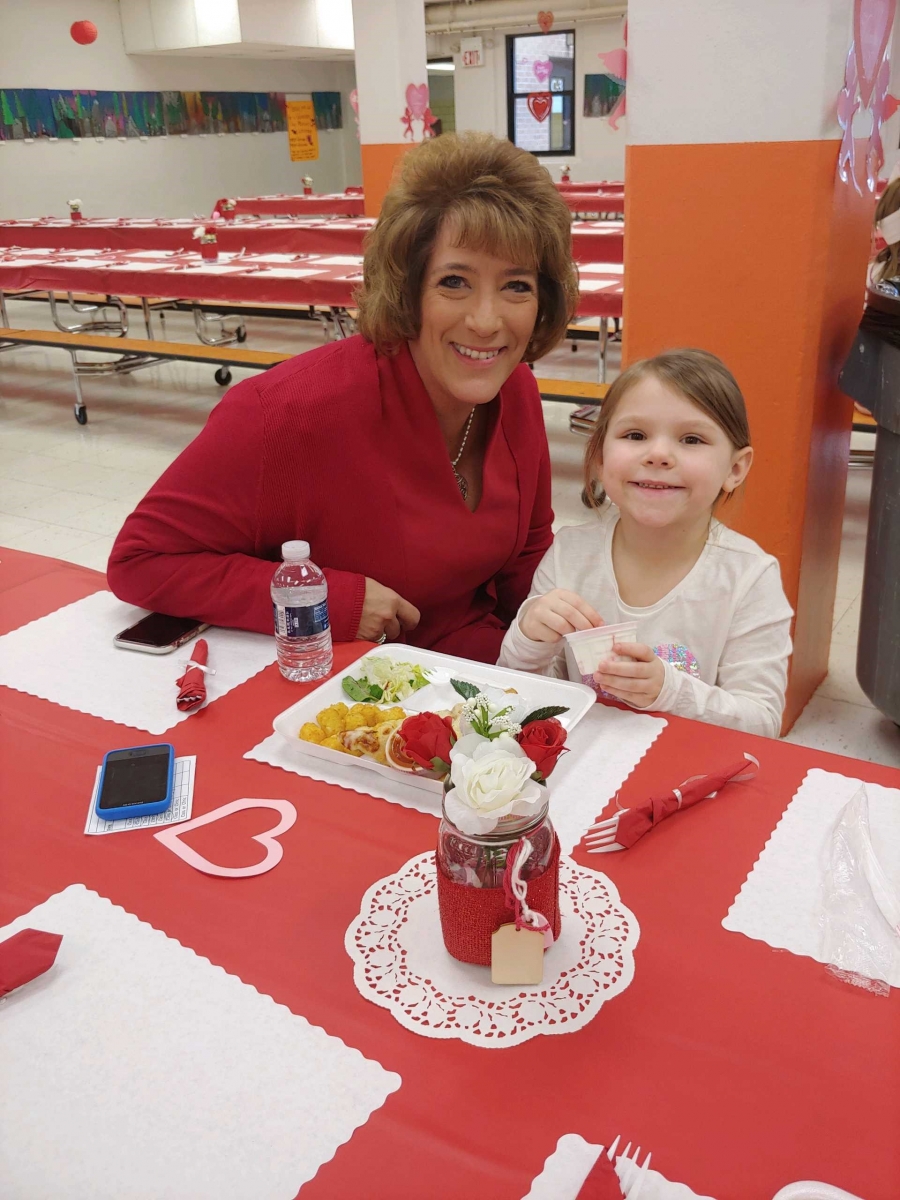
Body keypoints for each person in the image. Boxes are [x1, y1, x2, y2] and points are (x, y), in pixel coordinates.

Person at [107, 133, 579, 661]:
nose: (487, 320)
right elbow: (142, 560)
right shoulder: (288, 413)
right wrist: (325, 598)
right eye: (454, 281)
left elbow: (528, 556)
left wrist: (558, 651)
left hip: (476, 672)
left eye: (517, 286)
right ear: (407, 288)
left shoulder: (516, 391)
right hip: (340, 685)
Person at [497, 349, 793, 737]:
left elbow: (762, 721)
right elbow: (515, 695)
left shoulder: (749, 578)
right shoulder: (571, 554)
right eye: (635, 435)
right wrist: (529, 637)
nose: (658, 455)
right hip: (582, 761)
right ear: (600, 457)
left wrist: (669, 691)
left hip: (688, 772)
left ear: (735, 469)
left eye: (692, 439)